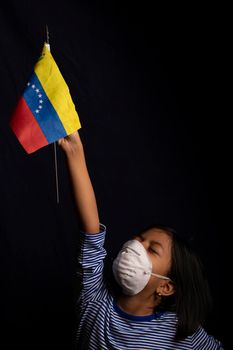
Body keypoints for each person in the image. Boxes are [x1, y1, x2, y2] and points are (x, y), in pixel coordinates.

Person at [58, 130, 224, 349]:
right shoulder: (94, 300)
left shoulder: (183, 335)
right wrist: (74, 151)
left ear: (166, 287)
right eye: (139, 238)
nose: (136, 246)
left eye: (152, 249)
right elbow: (90, 231)